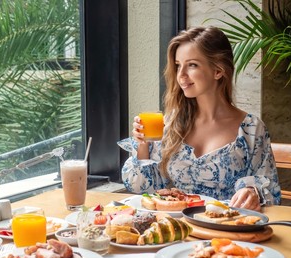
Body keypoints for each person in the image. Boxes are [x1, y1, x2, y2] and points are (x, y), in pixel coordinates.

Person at [118, 26, 281, 211]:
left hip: (225, 230)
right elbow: (141, 187)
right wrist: (142, 145)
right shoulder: (171, 124)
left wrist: (253, 193)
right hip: (177, 231)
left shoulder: (251, 129)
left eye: (192, 65)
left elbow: (272, 192)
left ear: (218, 71)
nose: (181, 76)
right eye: (178, 65)